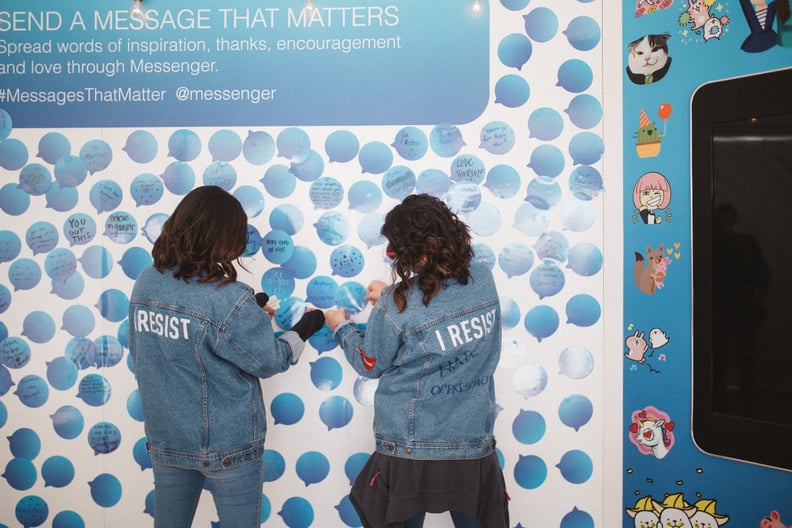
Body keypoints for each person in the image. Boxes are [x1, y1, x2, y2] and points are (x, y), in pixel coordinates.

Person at [128, 185, 324, 528]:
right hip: (228, 445)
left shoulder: (146, 282)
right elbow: (270, 360)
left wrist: (248, 317)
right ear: (224, 237)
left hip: (168, 438)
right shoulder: (228, 298)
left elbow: (163, 348)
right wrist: (305, 327)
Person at [325, 194, 510, 528]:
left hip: (408, 449)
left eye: (394, 250)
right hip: (471, 444)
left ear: (413, 253)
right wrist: (390, 293)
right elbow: (440, 302)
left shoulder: (395, 305)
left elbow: (371, 364)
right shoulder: (484, 280)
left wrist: (341, 327)